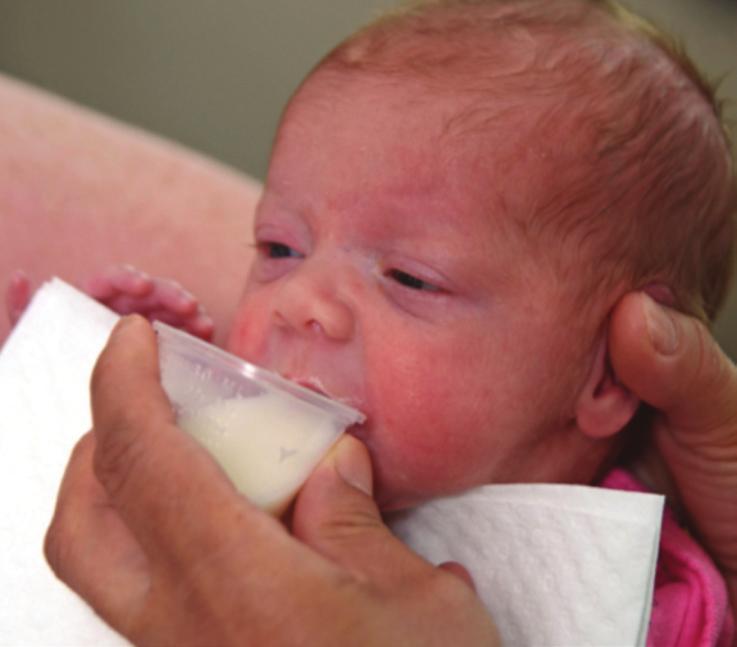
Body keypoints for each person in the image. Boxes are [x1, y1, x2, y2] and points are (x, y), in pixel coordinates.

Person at [34, 0, 737, 642]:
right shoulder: (275, 446)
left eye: (409, 278)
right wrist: (127, 359)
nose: (301, 300)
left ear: (606, 374)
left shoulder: (648, 603)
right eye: (279, 248)